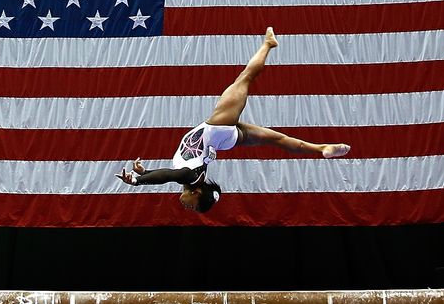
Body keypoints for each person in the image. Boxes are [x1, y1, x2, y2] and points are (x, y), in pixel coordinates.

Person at [114, 27, 351, 214]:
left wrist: (143, 174)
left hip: (225, 139)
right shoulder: (190, 177)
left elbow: (168, 173)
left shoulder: (191, 176)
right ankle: (268, 44)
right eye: (193, 206)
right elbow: (168, 175)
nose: (187, 207)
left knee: (278, 140)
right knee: (245, 78)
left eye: (192, 209)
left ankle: (322, 149)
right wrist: (137, 181)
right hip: (218, 129)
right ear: (197, 192)